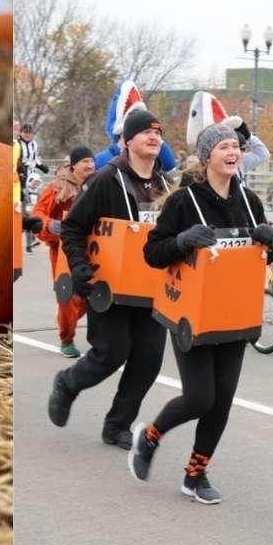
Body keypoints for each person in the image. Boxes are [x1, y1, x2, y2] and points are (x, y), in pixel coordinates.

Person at [128, 123, 273, 504]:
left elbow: (260, 259)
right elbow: (152, 252)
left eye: (236, 147)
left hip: (235, 314)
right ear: (207, 155)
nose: (233, 152)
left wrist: (270, 244)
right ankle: (151, 435)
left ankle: (195, 473)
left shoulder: (249, 200)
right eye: (225, 146)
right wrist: (181, 240)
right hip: (191, 315)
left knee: (222, 400)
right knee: (199, 398)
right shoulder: (184, 201)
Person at [48, 108, 172, 450]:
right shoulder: (106, 179)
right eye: (146, 132)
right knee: (111, 353)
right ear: (128, 140)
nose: (154, 137)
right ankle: (67, 384)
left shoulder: (164, 184)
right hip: (110, 285)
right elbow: (73, 227)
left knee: (148, 360)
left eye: (158, 133)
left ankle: (117, 424)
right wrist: (80, 266)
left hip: (151, 288)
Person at [30, 147, 95, 358]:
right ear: (73, 165)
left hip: (93, 248)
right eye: (85, 161)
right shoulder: (57, 187)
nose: (90, 165)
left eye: (92, 161)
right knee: (66, 294)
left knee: (89, 296)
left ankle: (67, 319)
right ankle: (66, 338)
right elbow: (37, 213)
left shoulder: (98, 185)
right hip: (64, 250)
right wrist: (50, 224)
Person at [16, 123, 49, 252]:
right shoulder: (17, 145)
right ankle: (21, 238)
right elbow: (16, 161)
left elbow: (35, 160)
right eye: (25, 133)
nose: (27, 135)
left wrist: (42, 166)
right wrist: (20, 172)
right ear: (21, 133)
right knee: (22, 211)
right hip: (18, 179)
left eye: (30, 133)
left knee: (31, 210)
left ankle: (30, 241)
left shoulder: (34, 145)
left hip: (31, 180)